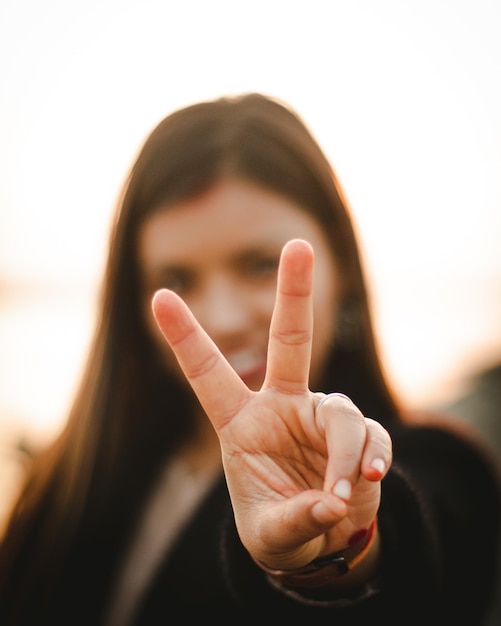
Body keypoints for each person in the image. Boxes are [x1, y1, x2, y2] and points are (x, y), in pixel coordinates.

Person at [0, 92, 499, 625]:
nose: (222, 317)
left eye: (261, 264)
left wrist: (334, 553)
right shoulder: (68, 481)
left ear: (345, 270)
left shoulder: (437, 470)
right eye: (176, 279)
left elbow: (417, 561)